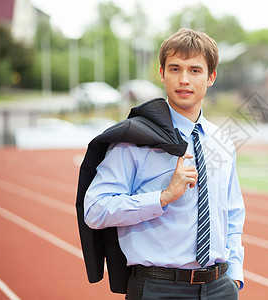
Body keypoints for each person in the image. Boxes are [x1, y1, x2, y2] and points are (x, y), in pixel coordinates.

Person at [83, 28, 245, 299]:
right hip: (158, 287)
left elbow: (232, 213)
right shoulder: (134, 139)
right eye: (175, 69)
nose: (184, 79)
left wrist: (234, 276)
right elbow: (95, 209)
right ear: (162, 74)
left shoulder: (221, 141)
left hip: (218, 287)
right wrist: (163, 197)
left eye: (195, 70)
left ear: (211, 77)